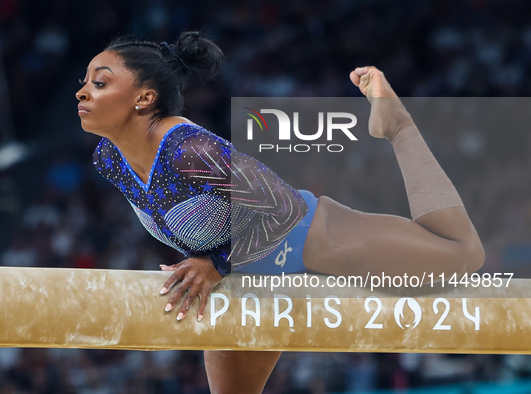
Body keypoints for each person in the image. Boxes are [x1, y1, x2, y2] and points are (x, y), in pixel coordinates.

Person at [76, 31, 485, 394]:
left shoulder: (189, 150)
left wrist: (216, 263)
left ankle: (397, 123)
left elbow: (283, 207)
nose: (82, 92)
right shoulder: (109, 160)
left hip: (311, 239)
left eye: (99, 82)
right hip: (250, 278)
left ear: (144, 98)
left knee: (463, 255)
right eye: (83, 82)